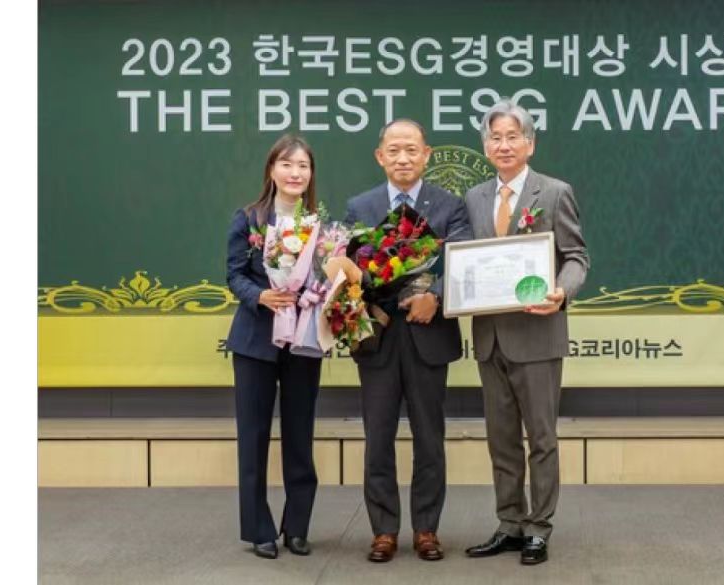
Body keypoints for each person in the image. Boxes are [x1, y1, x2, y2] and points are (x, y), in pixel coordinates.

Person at [462, 99, 589, 566]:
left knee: (541, 438)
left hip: (538, 334)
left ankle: (539, 527)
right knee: (500, 439)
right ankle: (510, 523)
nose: (504, 145)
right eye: (495, 137)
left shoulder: (554, 193)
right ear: (485, 146)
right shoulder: (474, 198)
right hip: (489, 336)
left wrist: (561, 291)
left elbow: (577, 257)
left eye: (513, 137)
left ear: (530, 144)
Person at [344, 119, 474, 562]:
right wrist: (362, 285)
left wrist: (435, 295)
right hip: (378, 337)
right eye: (394, 150)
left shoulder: (450, 206)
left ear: (427, 154)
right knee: (377, 437)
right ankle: (383, 530)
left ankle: (426, 529)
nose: (403, 158)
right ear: (380, 156)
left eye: (412, 150)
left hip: (428, 335)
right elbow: (348, 271)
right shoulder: (359, 207)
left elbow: (462, 263)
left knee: (429, 438)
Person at [225, 134, 323, 559]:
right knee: (254, 436)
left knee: (300, 435)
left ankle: (297, 527)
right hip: (255, 342)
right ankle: (258, 529)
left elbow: (327, 276)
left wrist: (320, 292)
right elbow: (234, 275)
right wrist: (260, 296)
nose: (295, 173)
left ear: (310, 174)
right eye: (287, 164)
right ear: (271, 170)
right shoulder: (249, 218)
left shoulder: (320, 225)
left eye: (303, 166)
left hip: (302, 342)